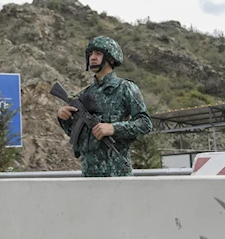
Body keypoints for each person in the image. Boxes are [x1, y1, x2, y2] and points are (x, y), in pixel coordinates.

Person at [56, 36, 153, 177]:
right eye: (90, 54)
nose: (92, 58)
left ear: (111, 59)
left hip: (117, 173)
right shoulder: (85, 94)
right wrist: (64, 118)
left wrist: (114, 128)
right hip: (89, 174)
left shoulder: (125, 88)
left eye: (98, 54)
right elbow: (75, 134)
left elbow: (145, 124)